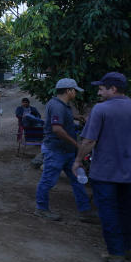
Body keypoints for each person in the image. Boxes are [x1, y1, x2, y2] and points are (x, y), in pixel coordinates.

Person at [73, 72, 131, 262]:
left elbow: (89, 140)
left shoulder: (101, 110)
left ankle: (116, 252)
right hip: (130, 172)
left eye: (102, 88)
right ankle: (125, 248)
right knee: (126, 208)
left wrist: (78, 160)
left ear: (113, 89)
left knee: (108, 209)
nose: (99, 92)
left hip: (105, 171)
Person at [34, 78, 97, 222]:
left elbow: (60, 118)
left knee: (77, 180)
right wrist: (77, 145)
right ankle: (41, 209)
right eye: (74, 90)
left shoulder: (62, 105)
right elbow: (57, 129)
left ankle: (85, 211)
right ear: (68, 91)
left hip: (65, 151)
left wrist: (76, 117)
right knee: (48, 181)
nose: (76, 93)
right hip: (56, 150)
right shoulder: (57, 106)